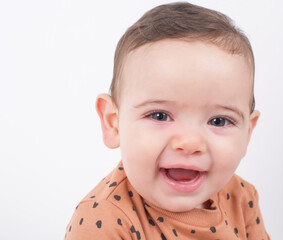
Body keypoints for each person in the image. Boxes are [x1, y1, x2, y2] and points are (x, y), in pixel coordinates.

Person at [65, 2, 270, 239]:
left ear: (247, 134)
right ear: (113, 123)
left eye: (219, 121)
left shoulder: (242, 197)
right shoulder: (103, 218)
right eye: (160, 115)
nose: (190, 142)